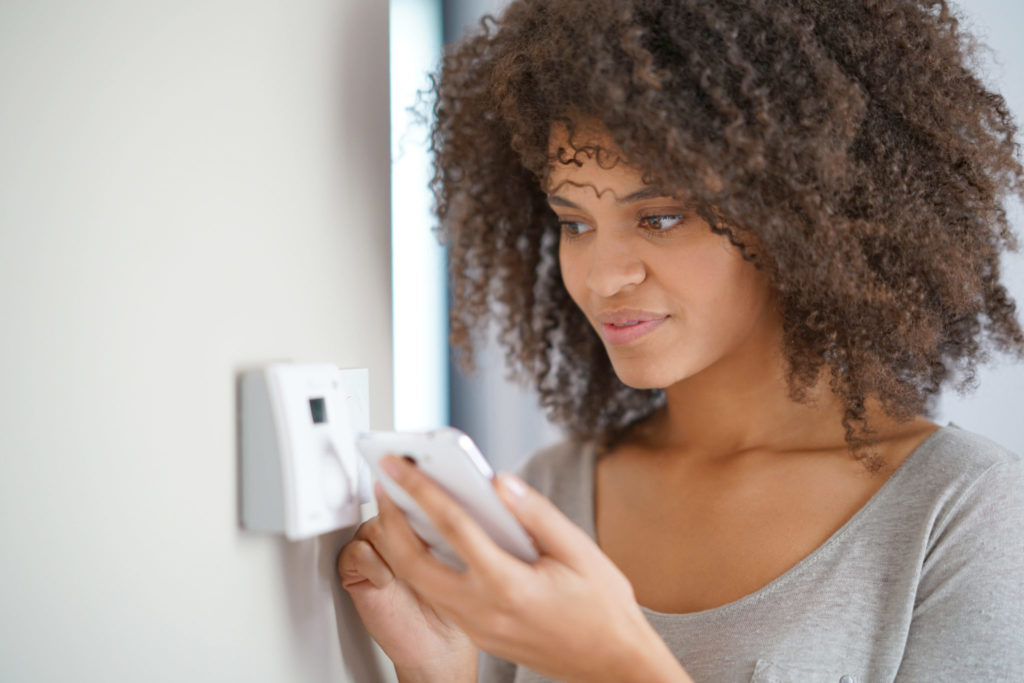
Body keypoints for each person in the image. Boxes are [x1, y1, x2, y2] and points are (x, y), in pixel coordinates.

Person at [338, 0, 1024, 680]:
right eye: (575, 223)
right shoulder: (552, 494)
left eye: (660, 218)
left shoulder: (963, 512)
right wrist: (441, 671)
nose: (605, 277)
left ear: (800, 213)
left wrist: (613, 658)